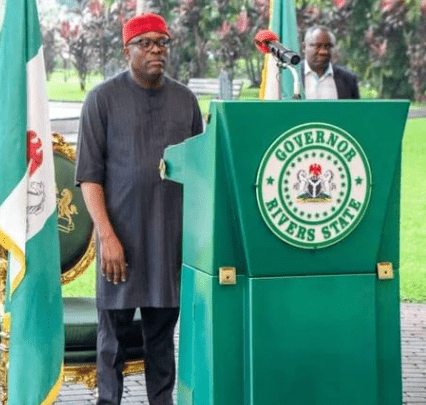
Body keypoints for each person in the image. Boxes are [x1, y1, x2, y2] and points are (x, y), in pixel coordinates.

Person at [74, 12, 204, 405]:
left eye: (162, 42)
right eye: (145, 43)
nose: (156, 50)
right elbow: (89, 177)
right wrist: (107, 237)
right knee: (111, 344)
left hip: (168, 241)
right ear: (125, 50)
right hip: (121, 242)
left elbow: (200, 172)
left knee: (162, 345)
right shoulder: (101, 99)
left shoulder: (186, 101)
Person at [301, 25, 360, 99]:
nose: (324, 52)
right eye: (317, 46)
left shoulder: (348, 79)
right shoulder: (290, 76)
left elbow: (355, 109)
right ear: (304, 47)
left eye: (328, 46)